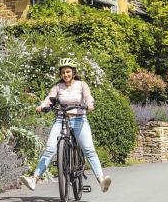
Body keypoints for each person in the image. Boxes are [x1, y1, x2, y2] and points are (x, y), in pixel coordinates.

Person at [19, 58, 111, 193]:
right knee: (50, 149)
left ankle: (101, 181)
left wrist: (90, 104)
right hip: (61, 120)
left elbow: (88, 97)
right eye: (63, 72)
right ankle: (34, 180)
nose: (65, 75)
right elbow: (49, 99)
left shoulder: (82, 85)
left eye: (68, 72)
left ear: (73, 72)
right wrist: (42, 106)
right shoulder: (57, 87)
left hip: (80, 120)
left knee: (89, 150)